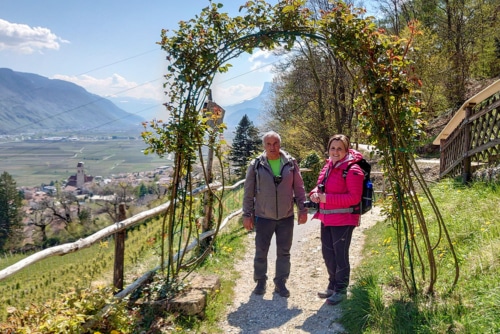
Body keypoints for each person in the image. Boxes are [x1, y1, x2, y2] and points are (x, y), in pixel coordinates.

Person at [242, 131, 308, 297]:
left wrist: (303, 209)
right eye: (269, 144)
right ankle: (260, 281)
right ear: (264, 146)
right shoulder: (256, 165)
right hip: (263, 216)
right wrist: (247, 214)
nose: (272, 147)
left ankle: (280, 282)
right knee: (261, 251)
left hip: (286, 216)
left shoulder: (290, 163)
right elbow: (248, 192)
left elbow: (299, 188)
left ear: (280, 144)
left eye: (275, 143)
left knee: (284, 252)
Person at [308, 134, 364, 305]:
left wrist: (326, 199)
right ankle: (332, 285)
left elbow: (354, 198)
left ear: (346, 150)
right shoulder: (328, 166)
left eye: (340, 148)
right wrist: (314, 194)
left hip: (344, 219)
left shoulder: (353, 170)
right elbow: (319, 186)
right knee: (328, 254)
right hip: (327, 218)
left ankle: (341, 290)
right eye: (333, 148)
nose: (335, 151)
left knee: (340, 255)